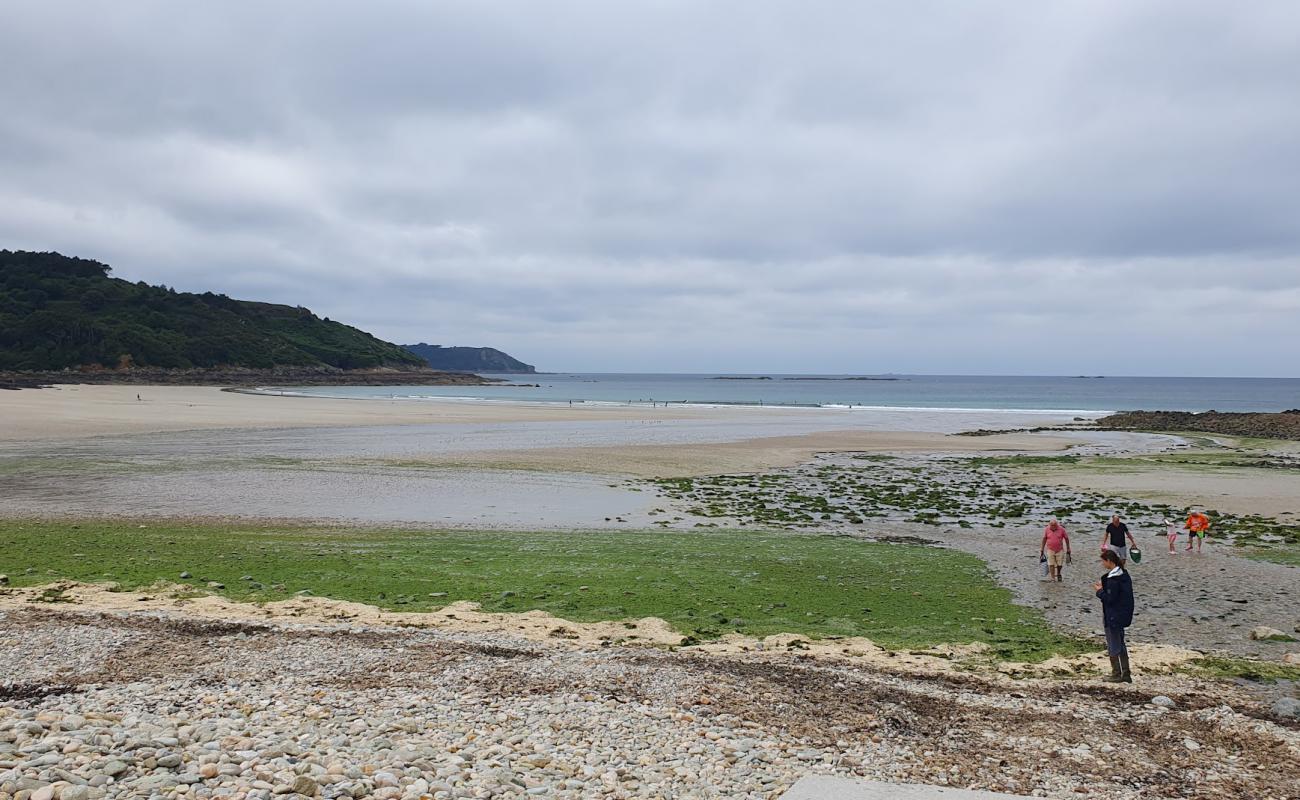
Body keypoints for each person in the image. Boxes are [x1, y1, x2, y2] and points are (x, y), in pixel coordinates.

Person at [1095, 549, 1134, 683]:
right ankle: (1126, 673)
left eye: (1103, 561)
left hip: (1113, 616)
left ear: (1109, 561)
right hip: (1122, 615)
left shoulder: (1113, 579)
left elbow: (1110, 599)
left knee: (1113, 644)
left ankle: (1116, 673)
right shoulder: (1124, 575)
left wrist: (1099, 592)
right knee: (1121, 643)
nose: (1102, 564)